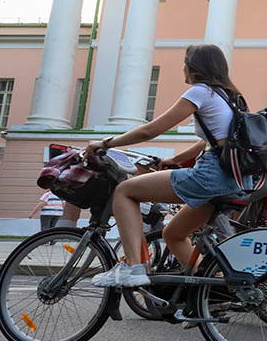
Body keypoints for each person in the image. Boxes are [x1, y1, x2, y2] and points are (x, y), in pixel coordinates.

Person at [86, 44, 248, 288]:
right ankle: (212, 292)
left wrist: (106, 143)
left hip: (210, 176)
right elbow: (211, 141)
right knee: (173, 234)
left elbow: (151, 130)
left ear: (194, 67)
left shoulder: (201, 92)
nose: (183, 68)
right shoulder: (231, 98)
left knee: (125, 191)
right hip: (233, 179)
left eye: (185, 63)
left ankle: (133, 267)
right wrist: (176, 160)